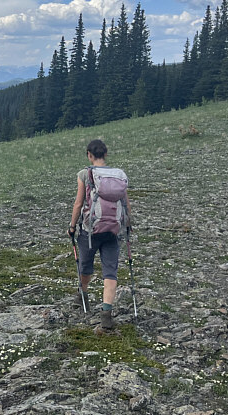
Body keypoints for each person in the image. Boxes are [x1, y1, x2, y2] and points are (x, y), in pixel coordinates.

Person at [68, 139, 131, 331]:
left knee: (85, 265)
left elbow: (79, 204)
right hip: (113, 230)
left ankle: (82, 295)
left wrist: (72, 226)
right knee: (110, 271)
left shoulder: (85, 174)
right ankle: (106, 315)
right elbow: (126, 203)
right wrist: (128, 225)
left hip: (90, 231)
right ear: (106, 154)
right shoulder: (119, 175)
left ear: (89, 155)